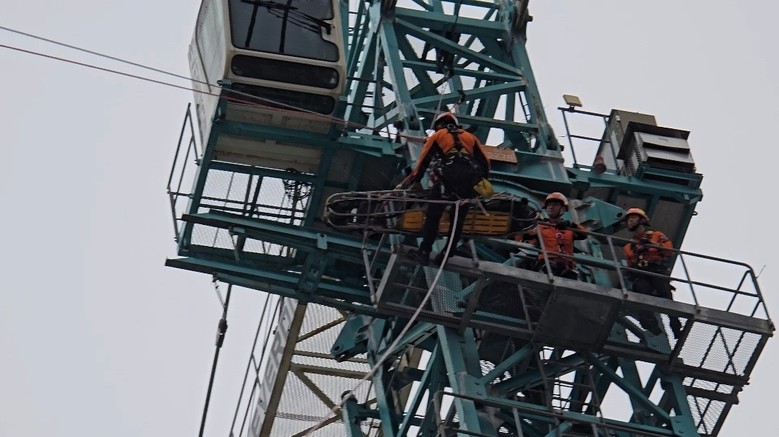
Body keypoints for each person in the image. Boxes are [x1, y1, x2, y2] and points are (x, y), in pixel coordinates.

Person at [398, 112, 491, 266]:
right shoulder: (470, 137)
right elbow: (485, 162)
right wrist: (479, 182)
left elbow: (424, 160)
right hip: (469, 179)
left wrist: (416, 180)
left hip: (446, 179)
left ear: (439, 125)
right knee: (458, 220)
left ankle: (424, 252)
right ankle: (447, 253)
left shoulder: (438, 135)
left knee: (433, 216)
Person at [622, 207, 683, 338]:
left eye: (633, 218)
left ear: (642, 220)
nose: (630, 221)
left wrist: (651, 244)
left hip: (656, 271)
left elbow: (669, 251)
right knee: (642, 301)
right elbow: (630, 265)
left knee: (666, 296)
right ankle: (652, 327)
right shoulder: (629, 247)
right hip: (641, 275)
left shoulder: (657, 236)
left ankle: (675, 326)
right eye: (628, 220)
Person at [516, 192, 586, 279]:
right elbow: (522, 236)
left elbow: (584, 235)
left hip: (567, 265)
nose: (551, 207)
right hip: (547, 262)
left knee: (572, 278)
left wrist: (572, 224)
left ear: (563, 208)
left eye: (555, 205)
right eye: (549, 205)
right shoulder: (540, 227)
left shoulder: (569, 229)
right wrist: (522, 213)